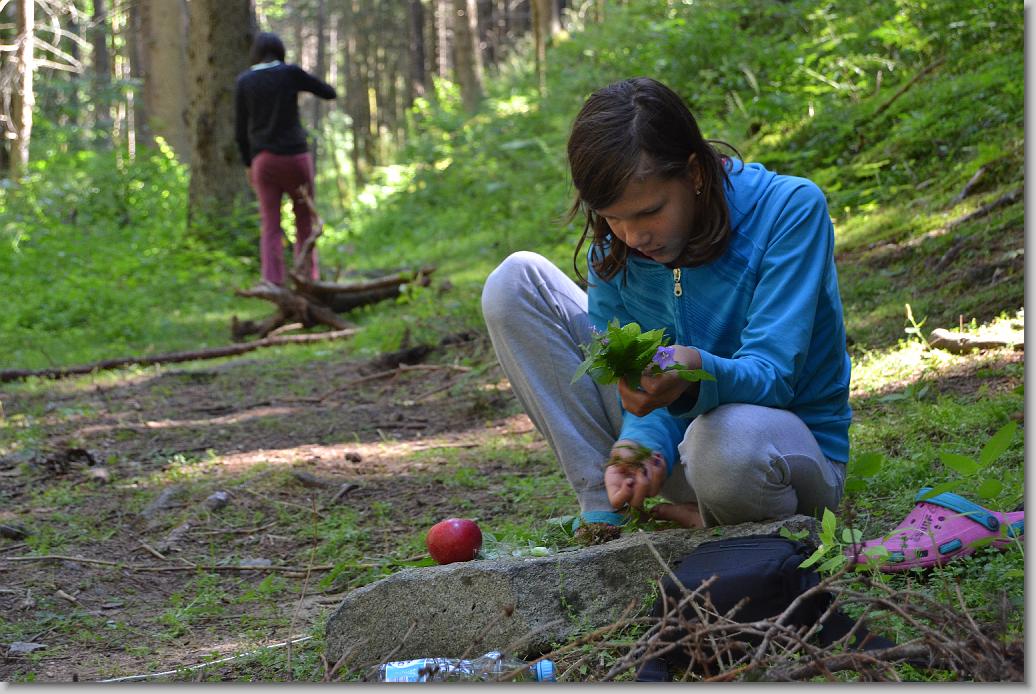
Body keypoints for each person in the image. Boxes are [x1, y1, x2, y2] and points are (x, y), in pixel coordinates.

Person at [481, 77, 851, 535]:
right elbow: (642, 390)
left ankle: (719, 520)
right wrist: (641, 447)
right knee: (514, 281)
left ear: (694, 174)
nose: (633, 236)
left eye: (649, 211)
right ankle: (609, 505)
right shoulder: (613, 253)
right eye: (613, 217)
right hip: (682, 454)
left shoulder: (789, 211)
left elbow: (776, 377)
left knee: (725, 440)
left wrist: (692, 369)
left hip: (775, 456)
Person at [235, 31, 336, 286]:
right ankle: (308, 278)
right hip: (295, 159)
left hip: (264, 162)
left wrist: (248, 164)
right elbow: (328, 92)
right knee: (304, 219)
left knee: (270, 225)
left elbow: (240, 131)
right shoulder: (290, 73)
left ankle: (272, 284)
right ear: (280, 51)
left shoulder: (244, 81)